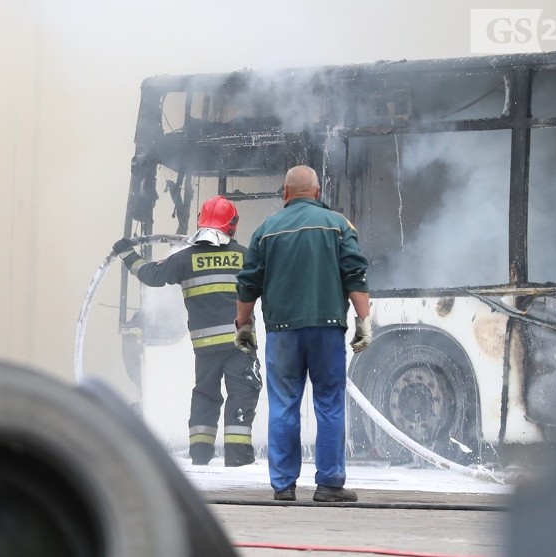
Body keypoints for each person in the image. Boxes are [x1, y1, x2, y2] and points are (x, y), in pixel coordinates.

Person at [234, 165, 372, 502]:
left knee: (283, 405)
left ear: (285, 193)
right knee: (329, 404)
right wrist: (363, 320)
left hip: (282, 333)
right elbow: (355, 273)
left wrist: (245, 325)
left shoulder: (266, 230)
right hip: (327, 330)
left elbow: (248, 282)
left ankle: (283, 486)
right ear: (317, 192)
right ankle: (329, 485)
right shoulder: (339, 226)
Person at [113, 195, 262, 467]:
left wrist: (127, 253)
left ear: (200, 223)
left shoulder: (184, 259)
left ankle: (200, 457)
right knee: (241, 394)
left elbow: (150, 275)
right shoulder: (245, 256)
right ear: (232, 226)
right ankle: (238, 460)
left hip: (204, 346)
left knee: (205, 395)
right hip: (239, 344)